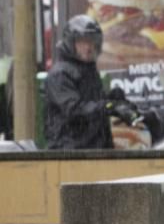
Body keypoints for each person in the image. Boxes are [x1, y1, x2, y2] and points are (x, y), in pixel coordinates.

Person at [45, 15, 137, 150]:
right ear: (71, 43)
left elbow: (92, 104)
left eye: (92, 42)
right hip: (71, 151)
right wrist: (108, 106)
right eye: (82, 42)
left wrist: (114, 100)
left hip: (94, 147)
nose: (88, 47)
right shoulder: (60, 74)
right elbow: (75, 109)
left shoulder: (88, 70)